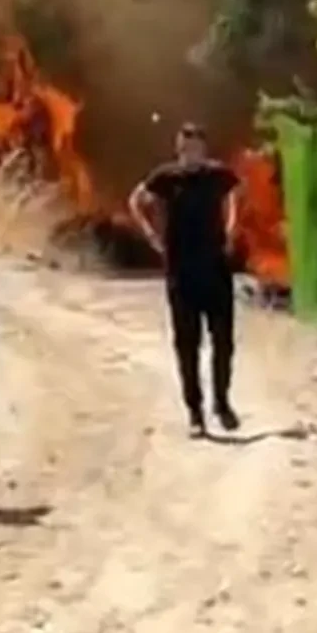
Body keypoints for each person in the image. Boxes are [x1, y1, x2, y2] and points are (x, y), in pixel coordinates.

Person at [129, 123, 243, 439]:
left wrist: (232, 226)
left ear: (204, 150)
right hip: (181, 272)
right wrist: (151, 234)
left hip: (216, 268)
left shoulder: (218, 176)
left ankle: (221, 402)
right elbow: (136, 199)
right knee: (187, 344)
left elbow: (236, 193)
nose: (188, 154)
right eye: (183, 148)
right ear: (177, 150)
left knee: (223, 341)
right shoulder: (166, 178)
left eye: (194, 148)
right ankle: (195, 412)